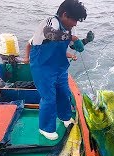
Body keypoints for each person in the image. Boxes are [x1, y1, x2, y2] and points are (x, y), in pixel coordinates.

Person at [25, 0, 94, 140]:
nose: (75, 24)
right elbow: (51, 35)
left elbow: (72, 45)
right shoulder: (50, 21)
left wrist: (85, 41)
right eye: (74, 19)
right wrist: (74, 38)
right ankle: (45, 128)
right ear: (64, 14)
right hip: (42, 66)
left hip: (59, 66)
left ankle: (65, 117)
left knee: (64, 92)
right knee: (49, 97)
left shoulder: (70, 29)